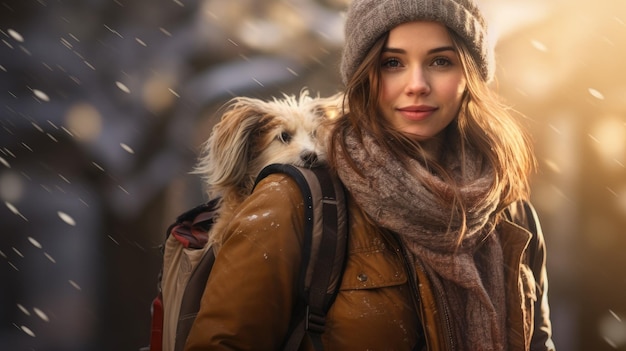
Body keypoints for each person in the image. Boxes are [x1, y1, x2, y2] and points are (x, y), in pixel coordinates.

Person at [184, 0, 556, 350]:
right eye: (392, 63)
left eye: (440, 61)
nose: (417, 84)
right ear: (364, 76)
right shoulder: (296, 200)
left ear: (470, 76)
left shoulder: (510, 215)